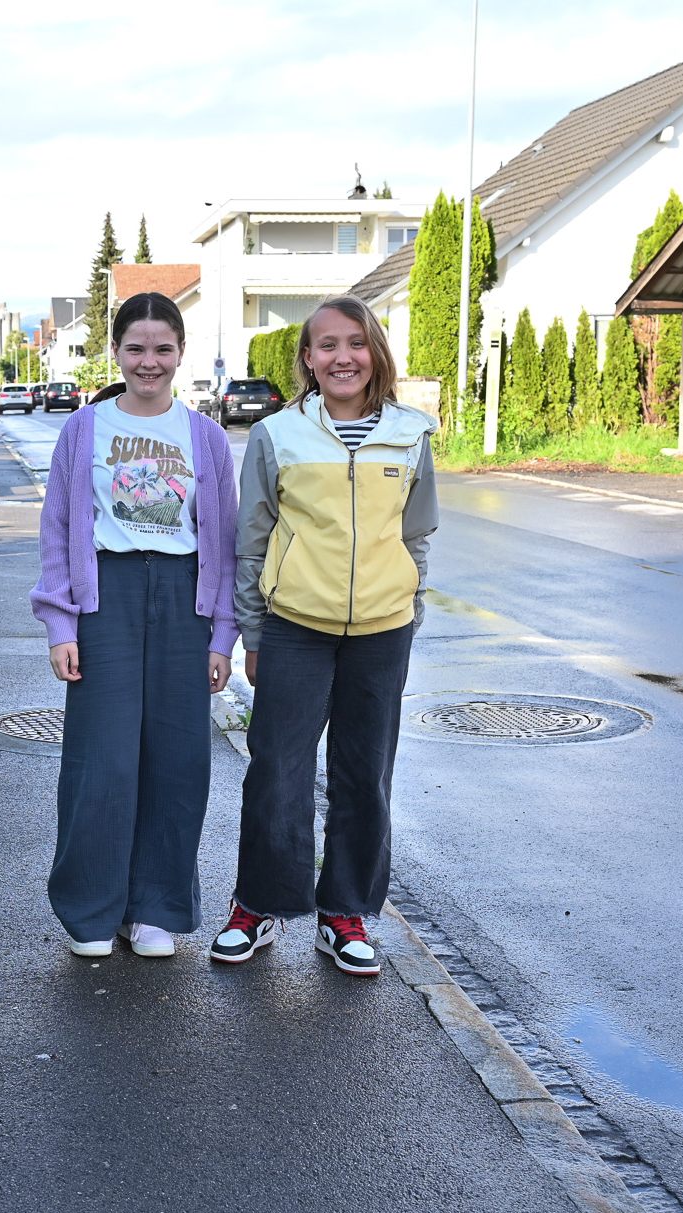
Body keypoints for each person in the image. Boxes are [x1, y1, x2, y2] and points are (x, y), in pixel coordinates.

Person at [208, 295, 438, 975]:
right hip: (293, 627)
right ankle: (258, 904)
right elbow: (251, 539)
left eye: (356, 343)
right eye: (327, 345)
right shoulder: (279, 435)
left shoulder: (410, 433)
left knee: (364, 775)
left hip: (381, 631)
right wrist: (253, 628)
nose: (343, 357)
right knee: (276, 769)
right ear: (307, 359)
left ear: (375, 353)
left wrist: (409, 608)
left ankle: (345, 915)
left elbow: (416, 534)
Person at [30, 292, 239, 958]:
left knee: (178, 761)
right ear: (115, 353)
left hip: (183, 601)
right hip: (105, 599)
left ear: (179, 353)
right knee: (103, 762)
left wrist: (221, 636)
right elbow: (59, 529)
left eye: (163, 349)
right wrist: (61, 624)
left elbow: (224, 542)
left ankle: (155, 908)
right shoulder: (83, 429)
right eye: (135, 349)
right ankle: (93, 910)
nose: (149, 362)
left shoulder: (203, 434)